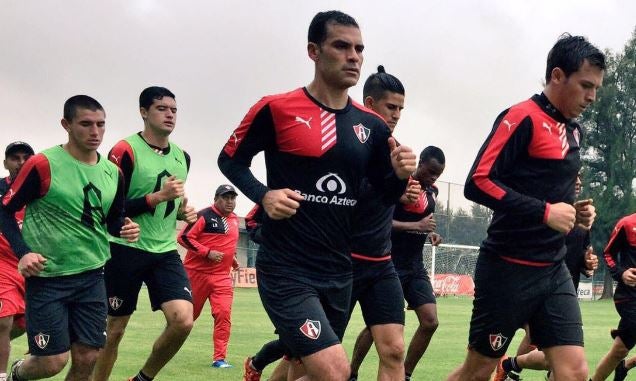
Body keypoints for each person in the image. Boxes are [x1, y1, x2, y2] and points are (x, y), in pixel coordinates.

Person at [219, 10, 416, 381]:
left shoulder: (369, 126)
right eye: (341, 46)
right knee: (336, 371)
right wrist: (264, 196)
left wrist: (400, 175)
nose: (353, 56)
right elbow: (230, 161)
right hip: (287, 269)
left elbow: (385, 192)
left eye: (359, 49)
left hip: (340, 269)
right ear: (314, 51)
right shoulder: (276, 108)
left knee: (300, 369)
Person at [446, 34, 604, 381]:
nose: (592, 97)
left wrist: (576, 214)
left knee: (575, 369)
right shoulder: (522, 117)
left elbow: (550, 191)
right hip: (507, 269)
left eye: (596, 88)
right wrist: (544, 212)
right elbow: (478, 181)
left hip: (553, 269)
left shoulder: (574, 131)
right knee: (479, 370)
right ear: (558, 75)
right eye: (586, 85)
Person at [0, 96, 139, 381]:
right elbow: (5, 212)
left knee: (88, 357)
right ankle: (17, 374)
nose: (95, 132)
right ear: (66, 124)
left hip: (92, 276)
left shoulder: (113, 173)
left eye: (101, 124)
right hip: (48, 278)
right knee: (52, 362)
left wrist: (125, 227)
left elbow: (112, 220)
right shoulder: (42, 164)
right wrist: (24, 251)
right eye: (86, 124)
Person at [92, 86, 197, 381]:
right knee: (114, 331)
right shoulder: (123, 151)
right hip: (124, 249)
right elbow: (109, 206)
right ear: (143, 112)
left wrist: (181, 211)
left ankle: (142, 378)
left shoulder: (183, 157)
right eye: (162, 108)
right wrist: (158, 197)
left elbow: (171, 202)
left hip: (164, 252)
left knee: (183, 321)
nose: (170, 115)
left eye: (174, 110)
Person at [350, 146, 446, 381]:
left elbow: (424, 221)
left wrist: (431, 234)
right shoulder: (400, 185)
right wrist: (417, 227)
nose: (434, 177)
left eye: (438, 174)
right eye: (431, 171)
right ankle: (351, 373)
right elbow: (383, 221)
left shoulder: (432, 191)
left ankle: (405, 375)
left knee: (430, 321)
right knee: (378, 329)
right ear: (420, 163)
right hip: (388, 264)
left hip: (414, 267)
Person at [493, 175, 599, 381]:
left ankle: (509, 366)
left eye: (580, 179)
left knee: (563, 365)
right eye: (572, 177)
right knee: (479, 364)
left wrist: (588, 263)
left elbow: (584, 254)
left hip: (564, 295)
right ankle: (508, 365)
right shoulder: (543, 210)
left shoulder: (583, 222)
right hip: (531, 287)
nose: (578, 182)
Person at [347, 65, 411, 381]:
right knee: (308, 361)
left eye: (401, 108)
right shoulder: (342, 142)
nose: (397, 114)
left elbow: (386, 196)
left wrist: (401, 183)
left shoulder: (393, 150)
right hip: (338, 264)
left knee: (395, 350)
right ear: (370, 104)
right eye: (391, 107)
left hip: (380, 264)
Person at [177, 184, 240, 368]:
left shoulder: (235, 219)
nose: (230, 202)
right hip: (196, 275)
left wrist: (233, 259)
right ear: (216, 199)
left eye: (232, 198)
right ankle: (167, 347)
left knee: (223, 315)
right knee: (186, 319)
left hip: (222, 277)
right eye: (225, 198)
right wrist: (207, 252)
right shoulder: (203, 215)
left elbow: (228, 244)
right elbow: (184, 237)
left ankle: (219, 359)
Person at [0, 142, 34, 381]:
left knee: (22, 323)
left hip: (33, 268)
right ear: (5, 163)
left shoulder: (43, 190)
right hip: (3, 264)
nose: (20, 163)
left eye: (26, 158)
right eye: (15, 158)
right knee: (3, 319)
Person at [588, 213, 636, 381]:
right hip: (630, 298)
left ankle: (624, 366)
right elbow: (608, 254)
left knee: (619, 351)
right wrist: (621, 273)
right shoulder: (627, 224)